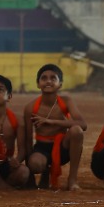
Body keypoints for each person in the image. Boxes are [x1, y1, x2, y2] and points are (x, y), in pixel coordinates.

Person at [24, 63, 87, 191]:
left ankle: (72, 179)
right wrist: (30, 176)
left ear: (60, 84)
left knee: (77, 131)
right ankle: (45, 171)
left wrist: (52, 122)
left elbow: (83, 124)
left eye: (53, 78)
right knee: (35, 164)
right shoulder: (31, 107)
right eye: (44, 78)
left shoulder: (66, 101)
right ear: (37, 84)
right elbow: (28, 139)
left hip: (63, 147)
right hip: (42, 148)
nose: (48, 81)